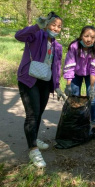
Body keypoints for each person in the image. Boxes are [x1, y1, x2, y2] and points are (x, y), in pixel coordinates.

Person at [15, 11, 65, 168]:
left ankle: (34, 138)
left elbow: (56, 67)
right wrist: (37, 26)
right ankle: (33, 149)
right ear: (46, 24)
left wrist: (56, 86)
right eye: (53, 25)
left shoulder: (58, 46)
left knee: (39, 113)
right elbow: (19, 36)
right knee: (32, 114)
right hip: (29, 79)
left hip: (45, 81)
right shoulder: (36, 35)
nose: (56, 28)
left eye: (59, 26)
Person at [63, 25, 95, 140]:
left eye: (92, 37)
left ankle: (94, 126)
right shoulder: (74, 47)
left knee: (93, 99)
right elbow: (70, 66)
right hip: (76, 73)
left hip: (90, 75)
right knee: (74, 97)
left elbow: (94, 69)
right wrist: (68, 85)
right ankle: (75, 124)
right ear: (81, 36)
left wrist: (91, 87)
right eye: (86, 36)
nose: (89, 39)